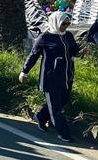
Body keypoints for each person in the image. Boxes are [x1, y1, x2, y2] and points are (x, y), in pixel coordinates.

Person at [19, 11, 79, 142]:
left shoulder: (68, 35)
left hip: (66, 76)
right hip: (50, 77)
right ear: (56, 22)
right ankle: (64, 134)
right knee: (56, 109)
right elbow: (33, 55)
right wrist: (24, 72)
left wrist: (81, 51)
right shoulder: (45, 37)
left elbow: (73, 50)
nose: (66, 26)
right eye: (63, 23)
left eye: (68, 23)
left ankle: (40, 117)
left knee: (63, 101)